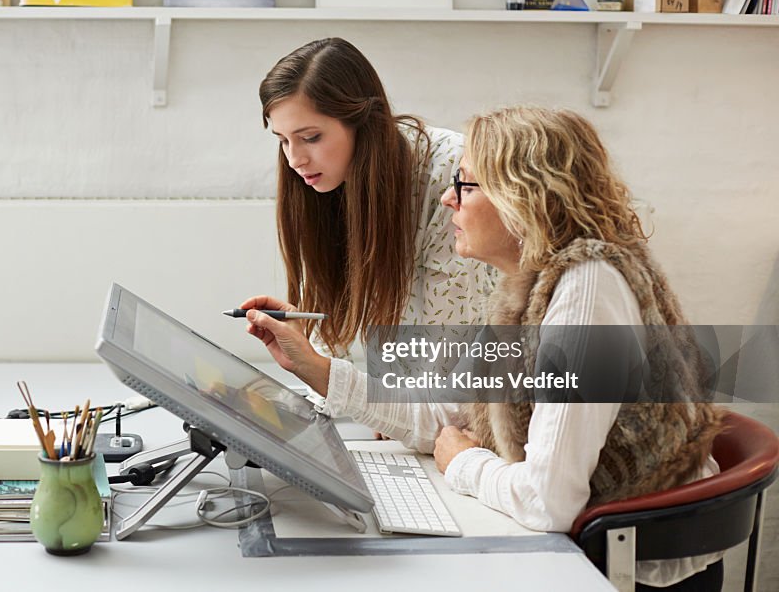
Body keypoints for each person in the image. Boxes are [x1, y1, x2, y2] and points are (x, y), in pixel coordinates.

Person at [243, 105, 724, 591]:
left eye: (466, 185)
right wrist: (315, 367)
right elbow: (451, 412)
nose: (449, 201)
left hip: (626, 569)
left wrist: (465, 464)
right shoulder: (531, 285)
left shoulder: (586, 292)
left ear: (526, 197)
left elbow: (547, 501)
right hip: (582, 546)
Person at [240, 37, 494, 382]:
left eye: (311, 137)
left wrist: (386, 405)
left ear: (362, 121)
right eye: (283, 140)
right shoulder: (326, 179)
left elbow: (451, 349)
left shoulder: (452, 174)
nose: (295, 159)